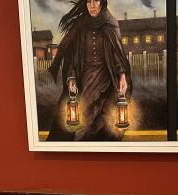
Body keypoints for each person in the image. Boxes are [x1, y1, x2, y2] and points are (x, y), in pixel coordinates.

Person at [48, 0, 131, 141]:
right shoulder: (80, 25)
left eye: (96, 0)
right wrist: (72, 77)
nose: (92, 5)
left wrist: (122, 76)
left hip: (106, 75)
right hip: (84, 75)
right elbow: (74, 56)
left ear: (102, 2)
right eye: (89, 1)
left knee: (102, 114)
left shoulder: (111, 23)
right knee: (84, 112)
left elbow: (118, 54)